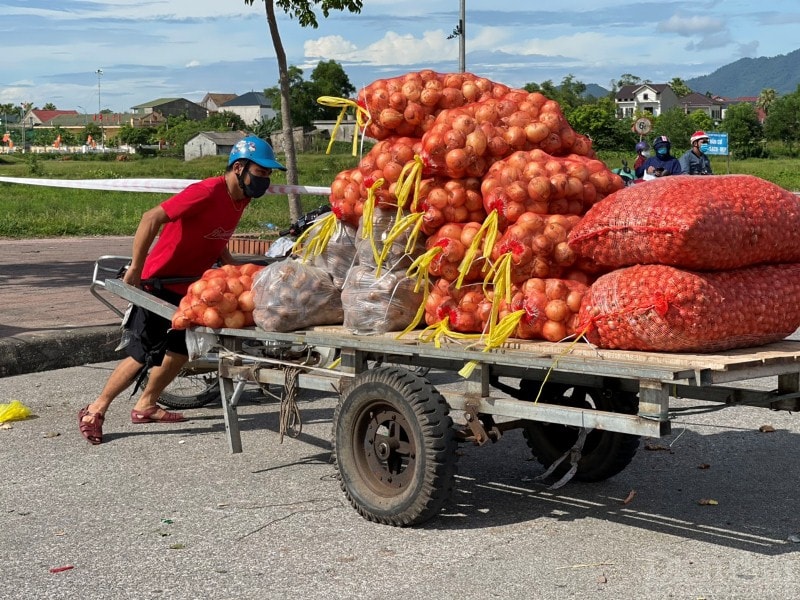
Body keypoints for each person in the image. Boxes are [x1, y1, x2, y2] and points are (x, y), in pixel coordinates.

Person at [78, 135, 286, 445]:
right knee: (142, 352)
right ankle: (95, 409)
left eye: (269, 175)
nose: (264, 181)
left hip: (192, 287)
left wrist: (232, 270)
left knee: (179, 351)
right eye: (261, 173)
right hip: (158, 282)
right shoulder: (207, 191)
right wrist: (136, 267)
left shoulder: (239, 200)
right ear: (239, 167)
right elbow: (152, 217)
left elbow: (215, 239)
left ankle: (146, 404)